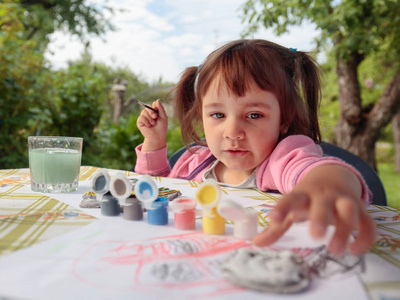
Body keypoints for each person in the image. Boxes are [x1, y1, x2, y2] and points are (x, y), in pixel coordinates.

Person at [135, 39, 376, 255]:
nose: (232, 132)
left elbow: (313, 170)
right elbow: (157, 194)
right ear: (202, 115)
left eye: (253, 115)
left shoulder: (282, 159)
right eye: (218, 114)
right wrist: (154, 143)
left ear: (284, 119)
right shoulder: (194, 161)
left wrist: (327, 185)